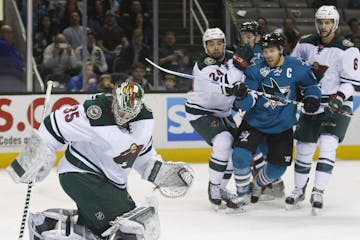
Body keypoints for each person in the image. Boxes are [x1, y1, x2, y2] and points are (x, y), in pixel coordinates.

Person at [7, 80, 194, 239]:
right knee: (126, 231)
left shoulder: (144, 122)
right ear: (114, 99)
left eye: (129, 113)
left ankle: (46, 227)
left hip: (112, 183)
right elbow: (53, 124)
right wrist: (37, 154)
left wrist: (160, 172)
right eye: (120, 109)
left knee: (116, 228)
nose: (123, 116)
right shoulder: (95, 114)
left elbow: (140, 155)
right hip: (81, 174)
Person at [230, 32, 321, 206]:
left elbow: (311, 86)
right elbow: (249, 102)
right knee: (240, 155)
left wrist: (312, 98)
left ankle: (257, 184)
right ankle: (242, 195)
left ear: (281, 49)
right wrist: (242, 96)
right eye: (265, 51)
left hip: (282, 126)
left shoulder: (297, 66)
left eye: (271, 51)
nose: (268, 55)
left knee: (278, 168)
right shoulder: (255, 68)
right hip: (255, 123)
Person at [285, 5, 360, 213]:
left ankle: (318, 190)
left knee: (327, 144)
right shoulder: (305, 43)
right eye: (320, 22)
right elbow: (291, 70)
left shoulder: (347, 49)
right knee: (303, 148)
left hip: (336, 104)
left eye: (328, 22)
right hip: (312, 102)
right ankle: (299, 189)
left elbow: (350, 83)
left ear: (335, 24)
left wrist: (338, 98)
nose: (324, 26)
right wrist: (297, 92)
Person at [185, 27, 252, 210]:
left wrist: (248, 51)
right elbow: (226, 85)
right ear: (205, 46)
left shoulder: (231, 56)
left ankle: (221, 188)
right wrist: (238, 72)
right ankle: (213, 186)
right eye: (211, 44)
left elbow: (245, 74)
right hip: (201, 111)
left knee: (236, 151)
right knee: (223, 142)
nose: (215, 47)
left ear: (224, 43)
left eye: (219, 43)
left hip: (223, 112)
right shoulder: (202, 65)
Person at [0, 24, 26, 92]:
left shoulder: (12, 47)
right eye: (7, 32)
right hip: (5, 77)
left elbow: (20, 60)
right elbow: (14, 61)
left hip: (13, 77)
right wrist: (22, 66)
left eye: (11, 32)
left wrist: (23, 66)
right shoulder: (2, 45)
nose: (10, 34)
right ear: (1, 33)